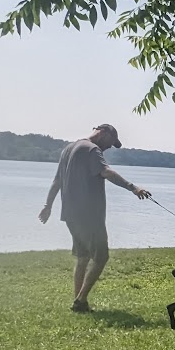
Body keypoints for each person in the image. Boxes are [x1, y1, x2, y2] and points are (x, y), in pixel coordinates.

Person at [39, 123, 151, 312]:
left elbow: (57, 180)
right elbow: (106, 172)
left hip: (70, 213)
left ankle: (79, 301)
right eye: (110, 142)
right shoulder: (91, 149)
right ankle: (80, 300)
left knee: (83, 257)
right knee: (101, 257)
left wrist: (48, 205)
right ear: (102, 132)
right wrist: (133, 187)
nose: (108, 147)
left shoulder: (69, 148)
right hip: (89, 214)